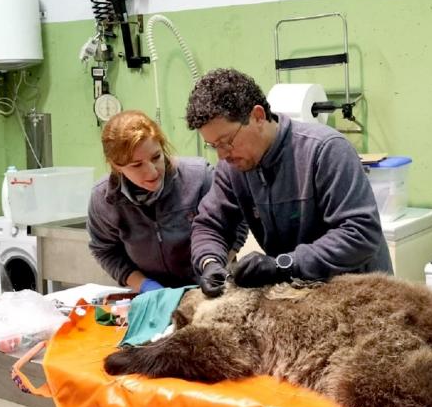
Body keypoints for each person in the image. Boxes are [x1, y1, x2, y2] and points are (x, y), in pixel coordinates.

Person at [186, 68, 392, 298]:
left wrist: (283, 264)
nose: (222, 155)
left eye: (227, 141)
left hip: (361, 295)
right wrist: (210, 262)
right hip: (301, 296)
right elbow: (211, 224)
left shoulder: (326, 150)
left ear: (257, 116)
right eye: (214, 146)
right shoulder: (233, 167)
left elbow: (360, 233)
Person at [87, 110, 224, 293]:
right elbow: (106, 251)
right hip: (151, 295)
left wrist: (212, 267)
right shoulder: (104, 200)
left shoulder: (199, 177)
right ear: (117, 166)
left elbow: (233, 225)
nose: (152, 172)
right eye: (136, 165)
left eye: (156, 157)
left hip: (209, 289)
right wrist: (144, 285)